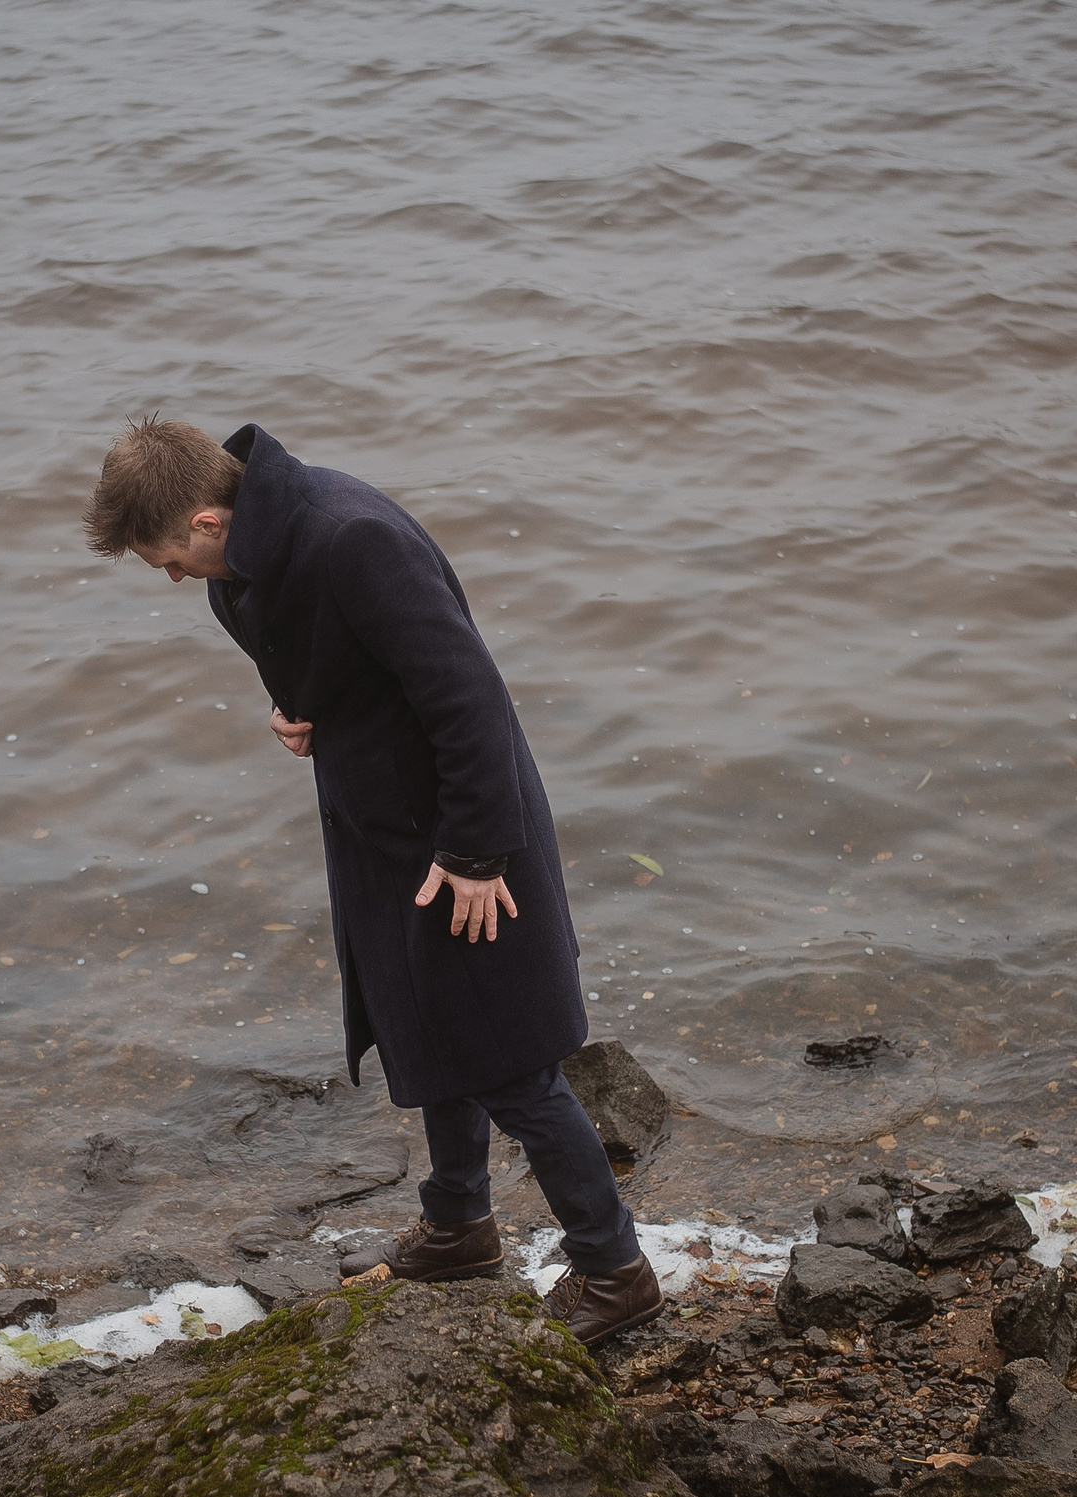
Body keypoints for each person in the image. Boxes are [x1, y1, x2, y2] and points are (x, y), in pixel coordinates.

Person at [82, 418, 661, 1345]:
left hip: (461, 824)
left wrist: (476, 853)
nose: (174, 580)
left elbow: (470, 692)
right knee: (421, 1023)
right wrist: (300, 704)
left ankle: (614, 1268)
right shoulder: (254, 551)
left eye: (169, 563)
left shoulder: (353, 539)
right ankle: (461, 1223)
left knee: (513, 1058)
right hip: (378, 823)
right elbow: (337, 656)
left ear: (204, 519)